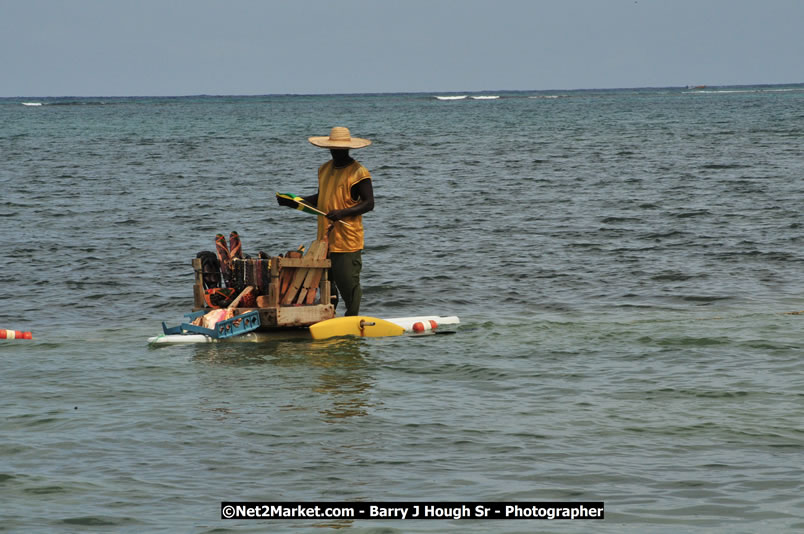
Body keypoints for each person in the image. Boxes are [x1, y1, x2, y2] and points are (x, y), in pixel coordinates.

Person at [276, 126, 374, 316]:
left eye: (340, 149)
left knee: (348, 284)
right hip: (325, 238)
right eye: (333, 148)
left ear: (347, 149)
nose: (336, 152)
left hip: (347, 239)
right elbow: (322, 197)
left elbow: (369, 203)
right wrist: (294, 202)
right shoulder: (325, 169)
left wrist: (343, 213)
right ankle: (329, 316)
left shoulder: (358, 173)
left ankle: (353, 318)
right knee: (326, 284)